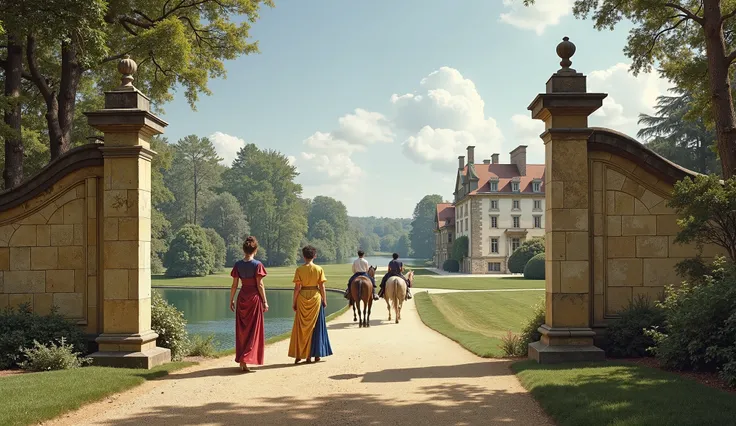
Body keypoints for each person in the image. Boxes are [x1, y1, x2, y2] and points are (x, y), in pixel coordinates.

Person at [229, 236, 268, 373]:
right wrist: (265, 301)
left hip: (242, 296)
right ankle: (246, 358)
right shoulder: (257, 265)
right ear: (255, 250)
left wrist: (231, 299)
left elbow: (234, 285)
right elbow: (260, 284)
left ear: (243, 250)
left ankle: (242, 360)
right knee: (253, 331)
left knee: (242, 331)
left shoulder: (238, 265)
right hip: (254, 298)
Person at [288, 245, 333, 364]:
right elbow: (322, 286)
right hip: (316, 297)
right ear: (315, 256)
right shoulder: (319, 269)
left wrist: (294, 302)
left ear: (303, 256)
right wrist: (324, 299)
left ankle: (301, 354)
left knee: (301, 328)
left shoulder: (299, 269)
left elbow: (297, 288)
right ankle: (316, 354)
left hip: (302, 298)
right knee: (317, 327)